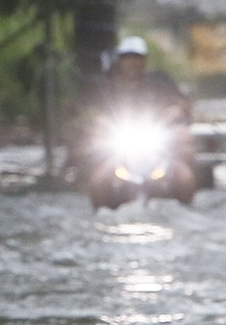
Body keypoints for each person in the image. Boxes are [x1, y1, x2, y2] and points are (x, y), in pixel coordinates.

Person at [81, 35, 197, 207]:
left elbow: (181, 104)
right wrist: (99, 122)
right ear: (120, 60)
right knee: (99, 180)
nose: (132, 63)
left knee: (184, 175)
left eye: (137, 58)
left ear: (145, 60)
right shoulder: (108, 85)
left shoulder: (159, 80)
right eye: (127, 58)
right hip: (119, 142)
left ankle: (187, 204)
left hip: (158, 140)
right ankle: (100, 208)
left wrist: (174, 112)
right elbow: (94, 111)